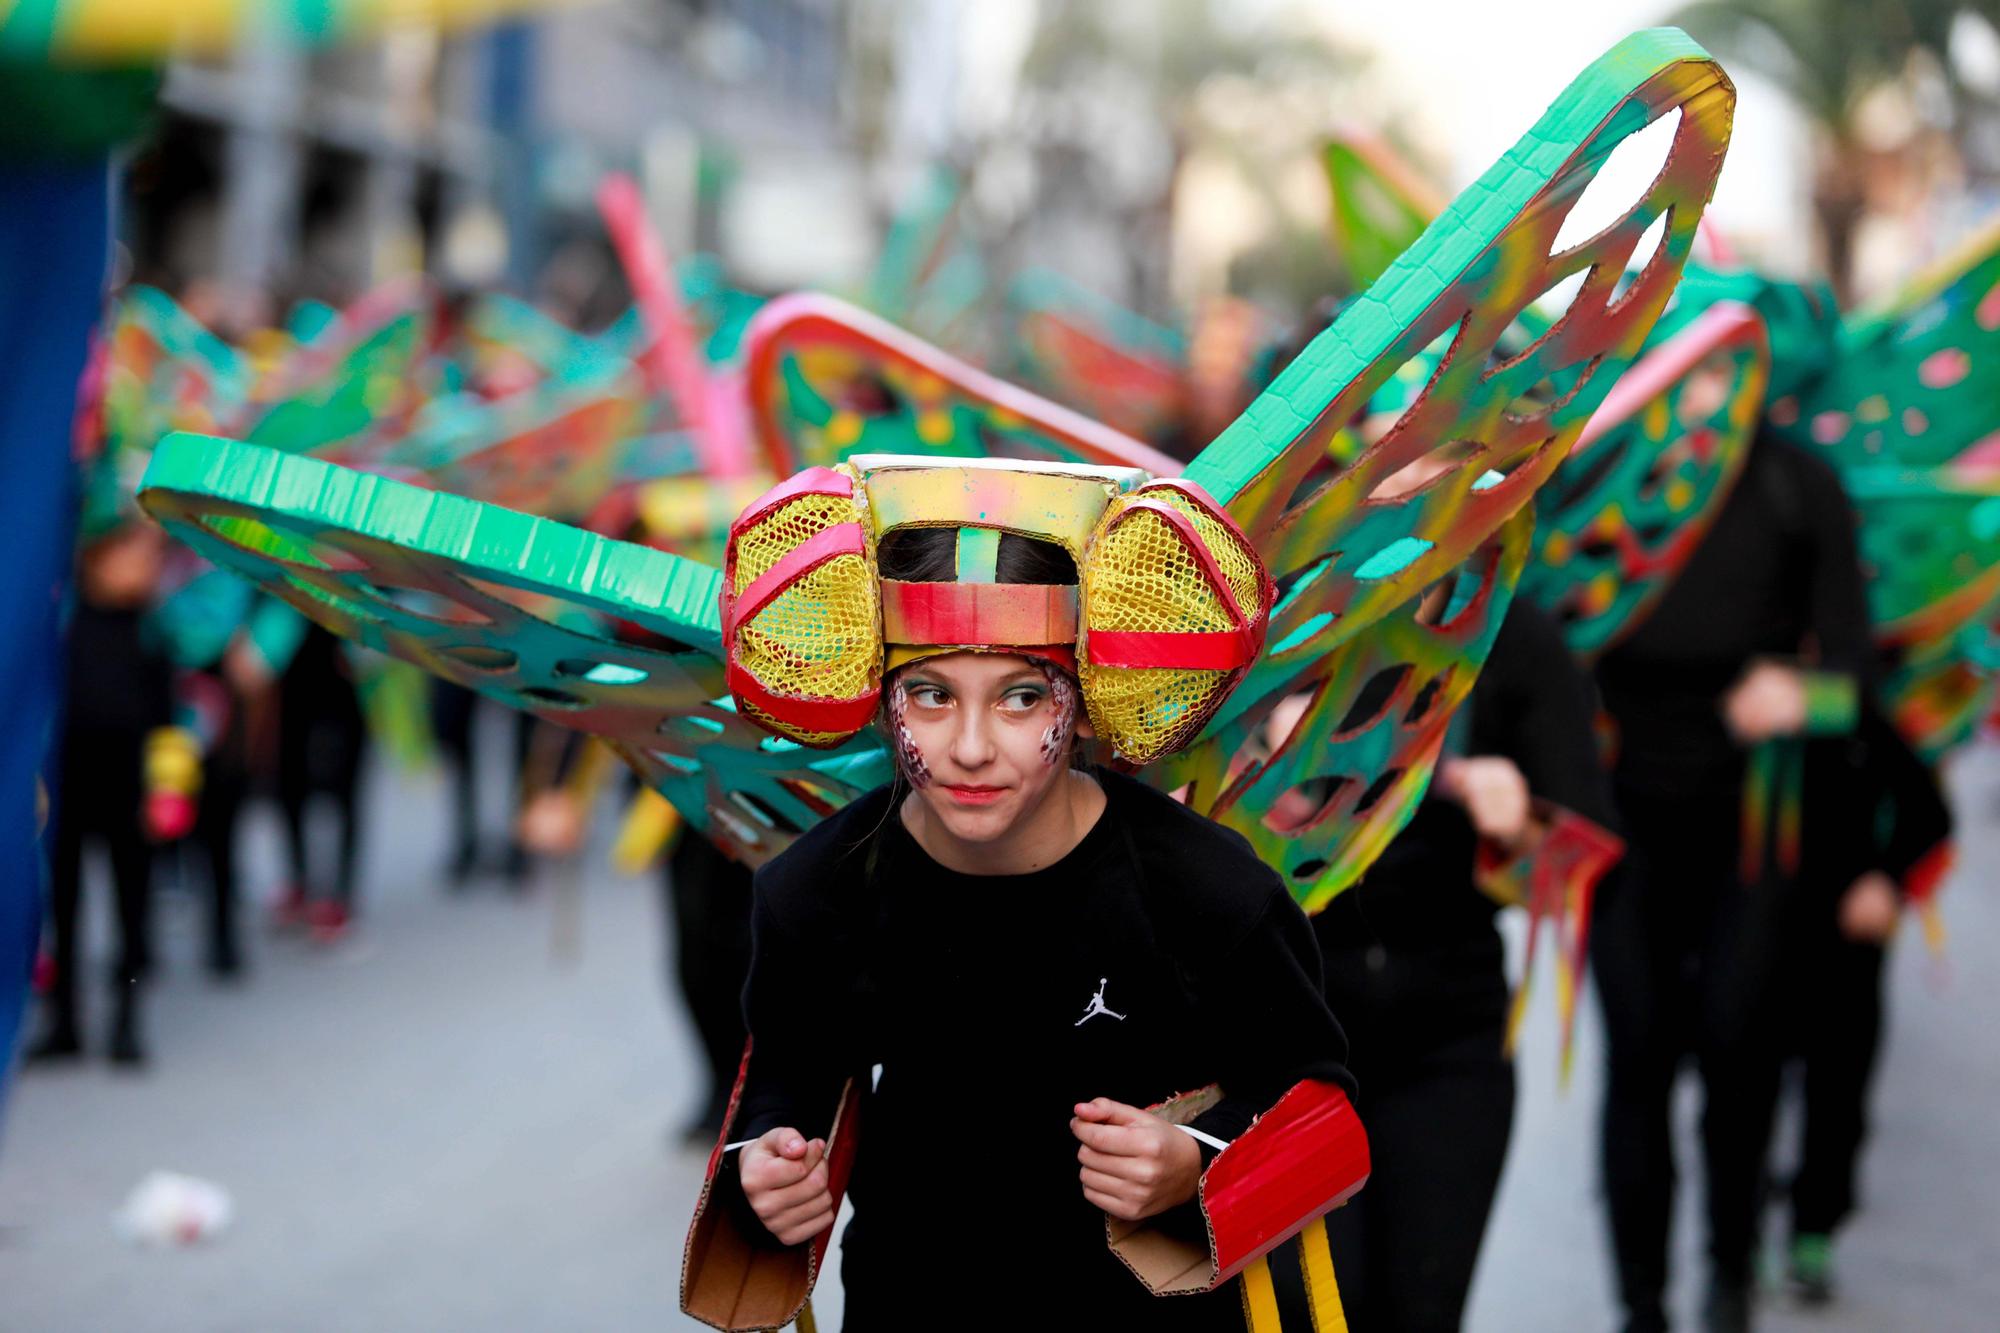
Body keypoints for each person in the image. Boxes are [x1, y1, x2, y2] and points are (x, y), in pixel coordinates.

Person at [682, 461, 1366, 1330]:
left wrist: (1194, 1157)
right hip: (909, 1297)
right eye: (931, 695)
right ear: (882, 696)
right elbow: (786, 1078)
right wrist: (766, 1165)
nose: (970, 746)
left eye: (1018, 697)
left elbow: (1315, 1091)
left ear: (1083, 703)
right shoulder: (818, 891)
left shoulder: (1205, 889)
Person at [1590, 424, 1875, 1333]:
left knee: (1739, 1054)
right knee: (1636, 1061)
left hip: (1753, 835)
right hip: (1625, 828)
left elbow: (1861, 681)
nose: (1702, 389)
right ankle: (1640, 1304)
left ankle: (1727, 1282)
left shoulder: (1797, 481)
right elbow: (1529, 631)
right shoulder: (1608, 471)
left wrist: (1804, 695)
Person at [1298, 596, 1617, 1332]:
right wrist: (1265, 761)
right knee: (1317, 1310)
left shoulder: (1516, 636)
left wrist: (1517, 828)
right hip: (1295, 1037)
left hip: (1447, 1038)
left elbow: (1576, 876)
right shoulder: (1290, 618)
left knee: (1423, 1306)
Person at [1777, 702, 1951, 1303]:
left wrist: (1886, 879)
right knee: (1737, 1079)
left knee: (1838, 1087)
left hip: (1846, 938)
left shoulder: (1855, 710)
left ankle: (1813, 1233)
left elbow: (1929, 813)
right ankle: (1733, 1234)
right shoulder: (1725, 697)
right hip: (1750, 932)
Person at [31, 520, 176, 1065]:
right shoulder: (63, 629)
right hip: (70, 787)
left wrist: (168, 790)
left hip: (131, 793)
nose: (147, 565)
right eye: (133, 553)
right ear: (96, 559)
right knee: (63, 907)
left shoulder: (151, 632)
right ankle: (64, 1019)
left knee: (133, 911)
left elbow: (169, 722)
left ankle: (127, 1021)